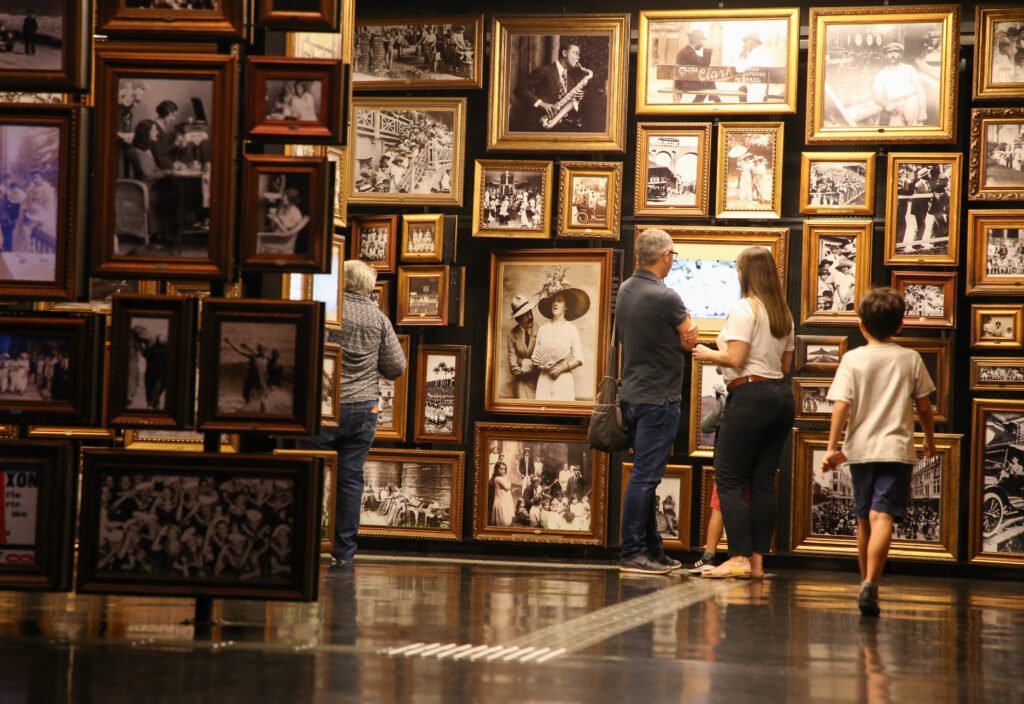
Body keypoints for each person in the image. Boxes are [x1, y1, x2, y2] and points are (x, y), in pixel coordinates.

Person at [821, 287, 936, 617]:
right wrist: (928, 439)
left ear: (861, 325)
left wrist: (832, 448)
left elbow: (841, 407)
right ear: (900, 325)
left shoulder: (852, 359)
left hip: (860, 451)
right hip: (897, 449)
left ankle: (864, 582)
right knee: (882, 515)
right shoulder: (909, 359)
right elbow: (925, 408)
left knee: (863, 520)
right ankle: (872, 583)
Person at [693, 246, 795, 579]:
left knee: (729, 479)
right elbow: (785, 365)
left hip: (750, 396)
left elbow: (736, 358)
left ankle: (737, 557)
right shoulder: (783, 313)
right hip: (780, 396)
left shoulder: (744, 308)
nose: (736, 273)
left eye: (738, 268)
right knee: (762, 481)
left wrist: (705, 352)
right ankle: (756, 560)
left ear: (745, 273)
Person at [300, 260, 407, 566]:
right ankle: (344, 552)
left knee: (312, 474)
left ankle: (306, 545)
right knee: (350, 480)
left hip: (324, 407)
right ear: (368, 286)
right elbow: (396, 367)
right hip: (363, 410)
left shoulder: (327, 313)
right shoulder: (379, 319)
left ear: (342, 282)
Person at [616, 228, 699, 574]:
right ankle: (633, 552)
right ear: (665, 256)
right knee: (645, 479)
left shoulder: (625, 289)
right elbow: (690, 340)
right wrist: (682, 339)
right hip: (660, 398)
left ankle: (653, 549)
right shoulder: (668, 297)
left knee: (644, 477)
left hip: (633, 395)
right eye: (673, 256)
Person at [531, 276, 588, 402]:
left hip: (563, 381)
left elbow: (579, 359)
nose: (555, 303)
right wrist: (543, 367)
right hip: (544, 381)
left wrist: (561, 368)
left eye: (559, 300)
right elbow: (535, 358)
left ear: (566, 306)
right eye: (553, 301)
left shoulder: (571, 329)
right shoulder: (543, 329)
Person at [512, 41, 589, 131]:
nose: (578, 57)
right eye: (575, 53)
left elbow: (571, 104)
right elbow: (520, 89)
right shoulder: (545, 71)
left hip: (561, 128)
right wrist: (541, 104)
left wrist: (578, 99)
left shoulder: (572, 79)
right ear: (564, 53)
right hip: (539, 125)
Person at [872, 42, 927, 127]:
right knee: (896, 135)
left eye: (896, 52)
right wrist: (886, 103)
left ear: (900, 55)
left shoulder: (909, 69)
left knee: (915, 135)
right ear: (886, 56)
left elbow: (921, 91)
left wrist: (923, 111)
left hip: (911, 103)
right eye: (889, 52)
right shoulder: (881, 75)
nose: (893, 55)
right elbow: (877, 97)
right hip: (894, 107)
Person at [506, 294, 538, 399]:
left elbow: (543, 363)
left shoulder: (542, 331)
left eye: (530, 312)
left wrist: (523, 363)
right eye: (525, 314)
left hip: (540, 384)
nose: (530, 317)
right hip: (521, 386)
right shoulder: (512, 335)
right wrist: (531, 365)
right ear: (518, 319)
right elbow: (514, 368)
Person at [675, 29, 719, 103]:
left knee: (708, 82)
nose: (702, 43)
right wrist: (705, 47)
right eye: (702, 41)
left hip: (684, 82)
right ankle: (717, 101)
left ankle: (716, 100)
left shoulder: (687, 51)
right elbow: (705, 63)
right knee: (708, 85)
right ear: (697, 41)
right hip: (684, 84)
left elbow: (701, 63)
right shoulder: (688, 52)